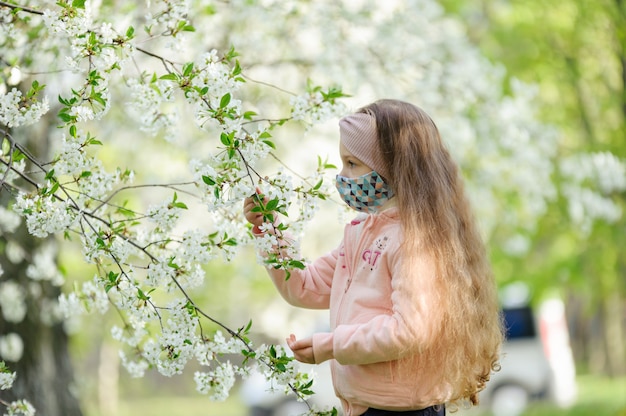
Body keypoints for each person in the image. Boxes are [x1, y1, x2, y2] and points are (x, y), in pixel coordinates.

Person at [243, 99, 503, 416]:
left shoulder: (413, 241)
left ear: (393, 168)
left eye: (353, 164)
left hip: (402, 409)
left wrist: (332, 345)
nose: (343, 177)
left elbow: (410, 330)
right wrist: (269, 231)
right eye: (343, 164)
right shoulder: (360, 233)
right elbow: (305, 286)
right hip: (368, 405)